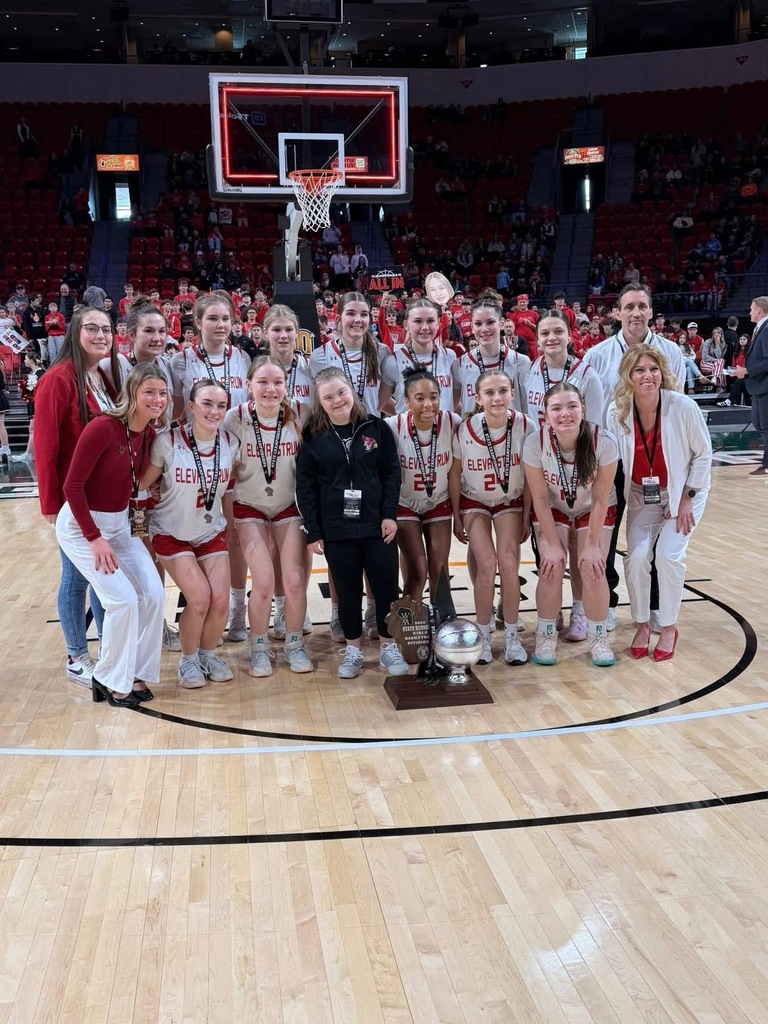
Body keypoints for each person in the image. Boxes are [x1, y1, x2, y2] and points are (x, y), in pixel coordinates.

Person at [55, 363, 168, 706]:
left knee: (154, 594)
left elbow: (133, 483)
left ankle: (135, 673)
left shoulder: (149, 434)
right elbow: (72, 487)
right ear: (132, 392)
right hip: (81, 527)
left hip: (120, 523)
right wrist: (93, 538)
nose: (157, 399)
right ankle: (108, 678)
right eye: (149, 392)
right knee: (123, 600)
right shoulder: (103, 427)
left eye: (162, 393)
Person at [582, 284, 686, 629]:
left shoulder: (670, 352)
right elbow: (590, 414)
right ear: (617, 313)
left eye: (642, 306)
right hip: (611, 461)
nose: (636, 313)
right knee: (606, 532)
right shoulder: (596, 355)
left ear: (651, 311)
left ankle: (655, 604)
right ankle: (607, 601)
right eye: (629, 307)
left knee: (653, 534)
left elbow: (677, 407)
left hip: (654, 462)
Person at [296, 367, 409, 680]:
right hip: (337, 528)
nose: (337, 400)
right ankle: (353, 650)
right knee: (347, 592)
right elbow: (306, 487)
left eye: (341, 392)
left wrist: (389, 514)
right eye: (328, 397)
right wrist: (314, 531)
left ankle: (388, 647)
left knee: (386, 588)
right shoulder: (313, 436)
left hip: (377, 525)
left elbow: (391, 473)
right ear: (320, 402)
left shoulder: (376, 427)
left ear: (353, 392)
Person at [608, 345, 712, 661]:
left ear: (662, 373)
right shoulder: (617, 412)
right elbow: (612, 460)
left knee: (667, 556)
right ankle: (642, 623)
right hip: (643, 495)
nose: (648, 376)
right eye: (639, 370)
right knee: (637, 557)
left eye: (653, 369)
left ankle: (668, 627)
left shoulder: (682, 407)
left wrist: (686, 499)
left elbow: (703, 455)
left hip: (684, 492)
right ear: (628, 375)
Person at [34, 305, 120, 683]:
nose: (101, 335)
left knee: (102, 574)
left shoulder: (100, 375)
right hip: (74, 500)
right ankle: (77, 656)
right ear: (74, 332)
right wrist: (51, 504)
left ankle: (110, 650)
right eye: (92, 328)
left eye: (106, 329)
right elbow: (46, 446)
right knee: (76, 577)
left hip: (102, 499)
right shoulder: (57, 379)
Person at [142, 380, 240, 688]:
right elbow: (142, 484)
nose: (214, 411)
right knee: (199, 599)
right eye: (207, 404)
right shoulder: (167, 442)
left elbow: (228, 489)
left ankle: (207, 655)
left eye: (221, 405)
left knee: (220, 602)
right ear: (192, 407)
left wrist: (232, 527)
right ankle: (188, 660)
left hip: (209, 530)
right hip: (170, 531)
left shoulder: (230, 442)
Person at [169, 292, 252, 640]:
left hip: (233, 457)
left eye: (225, 319)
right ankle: (199, 606)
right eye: (213, 319)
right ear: (198, 323)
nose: (220, 325)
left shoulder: (243, 357)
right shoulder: (180, 361)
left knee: (234, 535)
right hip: (194, 459)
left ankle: (237, 611)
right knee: (194, 532)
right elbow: (176, 412)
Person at [224, 357, 311, 677]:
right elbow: (223, 467)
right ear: (249, 385)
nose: (270, 389)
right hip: (250, 506)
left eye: (277, 382)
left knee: (294, 582)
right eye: (262, 382)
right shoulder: (235, 418)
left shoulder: (301, 413)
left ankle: (294, 643)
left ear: (287, 385)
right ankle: (258, 647)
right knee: (262, 582)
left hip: (289, 505)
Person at [523, 383, 619, 668]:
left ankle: (598, 638)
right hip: (554, 506)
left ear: (583, 410)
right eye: (557, 408)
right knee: (551, 566)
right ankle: (546, 635)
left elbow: (600, 499)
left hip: (593, 507)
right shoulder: (534, 443)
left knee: (592, 567)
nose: (565, 413)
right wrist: (552, 545)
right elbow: (540, 499)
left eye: (572, 406)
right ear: (545, 415)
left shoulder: (604, 442)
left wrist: (591, 546)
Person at [449, 369, 534, 666]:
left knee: (509, 563)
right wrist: (456, 516)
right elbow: (455, 474)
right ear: (477, 398)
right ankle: (483, 634)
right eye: (489, 392)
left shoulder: (526, 425)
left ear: (512, 393)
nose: (497, 398)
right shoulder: (464, 429)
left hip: (510, 500)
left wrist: (527, 515)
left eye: (502, 391)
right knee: (486, 564)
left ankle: (511, 635)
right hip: (475, 500)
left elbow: (532, 476)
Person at [386, 370, 459, 601]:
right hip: (405, 502)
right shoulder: (392, 426)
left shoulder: (453, 422)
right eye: (420, 398)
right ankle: (408, 619)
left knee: (440, 567)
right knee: (418, 568)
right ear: (407, 402)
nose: (428, 404)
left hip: (439, 500)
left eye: (434, 397)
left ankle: (441, 617)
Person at [308, 291, 398, 418]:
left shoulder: (382, 352)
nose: (358, 320)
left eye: (364, 314)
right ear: (338, 319)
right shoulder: (320, 356)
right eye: (351, 313)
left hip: (370, 429)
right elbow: (318, 404)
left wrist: (410, 417)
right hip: (336, 429)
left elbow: (379, 400)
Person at [454, 299, 531, 416]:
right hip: (474, 427)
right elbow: (454, 407)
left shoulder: (521, 362)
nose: (484, 329)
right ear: (472, 327)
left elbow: (527, 409)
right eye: (478, 324)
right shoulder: (459, 364)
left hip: (511, 427)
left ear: (502, 324)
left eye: (490, 322)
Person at [392, 297, 457, 414]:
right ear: (406, 325)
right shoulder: (393, 361)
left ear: (438, 323)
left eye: (430, 321)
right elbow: (380, 401)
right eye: (418, 321)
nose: (425, 327)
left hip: (443, 426)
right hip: (409, 426)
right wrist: (401, 417)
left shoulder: (450, 356)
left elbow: (453, 400)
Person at [730, 296, 768, 475]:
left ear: (759, 310)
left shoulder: (766, 329)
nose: (750, 312)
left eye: (752, 309)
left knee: (765, 425)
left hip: (765, 385)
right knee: (759, 423)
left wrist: (746, 371)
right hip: (759, 385)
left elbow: (767, 361)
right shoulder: (760, 328)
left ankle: (767, 464)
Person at [13, 351, 45, 461]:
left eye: (26, 359)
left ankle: (28, 454)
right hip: (32, 403)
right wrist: (24, 390)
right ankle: (34, 454)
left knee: (33, 429)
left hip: (38, 404)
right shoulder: (32, 373)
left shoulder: (40, 373)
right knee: (33, 429)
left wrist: (28, 390)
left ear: (32, 360)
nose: (24, 361)